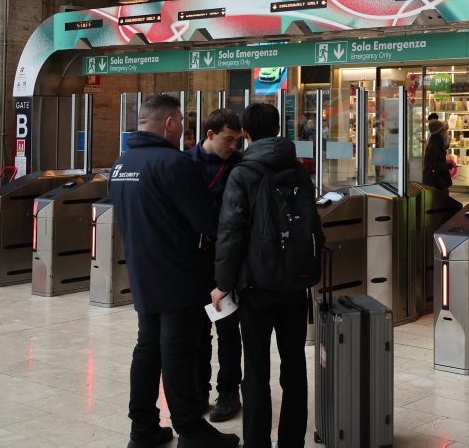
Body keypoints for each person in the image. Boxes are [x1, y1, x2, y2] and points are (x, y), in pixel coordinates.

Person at [109, 94, 239, 448]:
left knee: (147, 350)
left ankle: (143, 429)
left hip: (142, 274)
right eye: (181, 122)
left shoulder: (121, 164)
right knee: (178, 354)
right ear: (169, 123)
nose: (183, 128)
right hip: (179, 275)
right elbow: (206, 220)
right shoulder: (173, 163)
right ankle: (191, 431)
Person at [211, 102, 321, 448]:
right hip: (295, 282)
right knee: (294, 365)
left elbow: (230, 232)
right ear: (277, 129)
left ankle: (256, 441)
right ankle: (291, 441)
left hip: (255, 284)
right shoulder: (298, 169)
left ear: (245, 133)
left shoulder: (242, 173)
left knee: (256, 368)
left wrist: (223, 283)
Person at [186, 108, 244, 422]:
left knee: (227, 329)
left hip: (224, 261)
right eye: (227, 139)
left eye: (237, 140)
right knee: (198, 331)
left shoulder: (238, 166)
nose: (232, 146)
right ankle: (198, 391)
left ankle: (228, 392)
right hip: (193, 261)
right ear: (210, 134)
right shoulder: (185, 164)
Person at [423, 118, 453, 191]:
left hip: (438, 180)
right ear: (440, 132)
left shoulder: (436, 143)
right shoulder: (434, 146)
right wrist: (450, 165)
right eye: (443, 130)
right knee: (439, 197)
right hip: (436, 181)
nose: (445, 132)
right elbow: (434, 165)